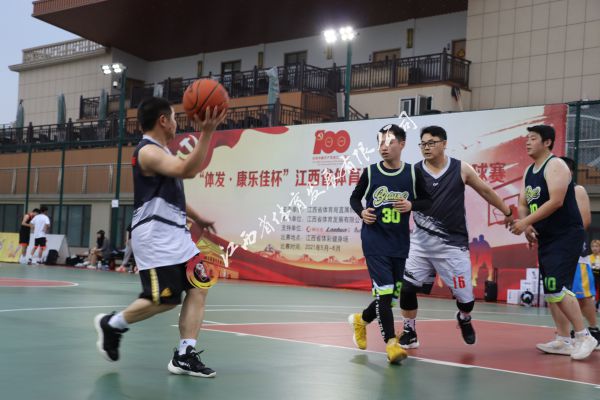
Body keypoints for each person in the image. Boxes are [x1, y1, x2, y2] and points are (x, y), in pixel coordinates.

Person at [94, 97, 226, 377]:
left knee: (199, 285)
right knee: (163, 300)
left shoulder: (163, 153)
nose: (177, 123)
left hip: (177, 234)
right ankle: (113, 324)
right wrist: (207, 132)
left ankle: (184, 355)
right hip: (155, 236)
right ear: (163, 121)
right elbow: (187, 170)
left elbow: (173, 193)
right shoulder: (147, 152)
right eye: (175, 118)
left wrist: (198, 218)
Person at [399, 126, 514, 349]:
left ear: (444, 144)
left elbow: (486, 191)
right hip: (420, 244)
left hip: (453, 246)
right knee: (407, 288)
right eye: (423, 144)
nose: (426, 147)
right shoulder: (413, 172)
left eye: (432, 143)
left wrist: (507, 212)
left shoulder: (461, 169)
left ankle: (464, 317)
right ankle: (409, 330)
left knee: (466, 300)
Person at [509, 126, 597, 360]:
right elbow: (523, 201)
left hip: (565, 235)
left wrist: (524, 222)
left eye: (533, 138)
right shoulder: (529, 170)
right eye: (527, 138)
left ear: (547, 142)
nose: (527, 142)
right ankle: (564, 339)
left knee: (557, 287)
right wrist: (527, 225)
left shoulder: (555, 165)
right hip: (547, 237)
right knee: (551, 291)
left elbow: (556, 201)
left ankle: (584, 336)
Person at [347, 124, 431, 363]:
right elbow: (355, 198)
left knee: (391, 298)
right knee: (384, 293)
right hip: (374, 241)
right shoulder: (371, 172)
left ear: (402, 144)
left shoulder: (412, 173)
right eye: (380, 143)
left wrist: (412, 205)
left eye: (389, 142)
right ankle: (391, 344)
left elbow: (428, 201)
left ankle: (360, 321)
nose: (384, 147)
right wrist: (362, 212)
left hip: (399, 243)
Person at [532, 156, 599, 353]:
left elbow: (584, 221)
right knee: (554, 293)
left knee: (582, 295)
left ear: (567, 172)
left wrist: (563, 237)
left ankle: (594, 332)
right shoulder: (549, 194)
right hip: (554, 248)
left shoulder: (577, 190)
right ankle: (563, 338)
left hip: (573, 249)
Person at [590, 240, 600, 310]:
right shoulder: (588, 257)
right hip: (592, 280)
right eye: (593, 246)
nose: (594, 248)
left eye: (596, 246)